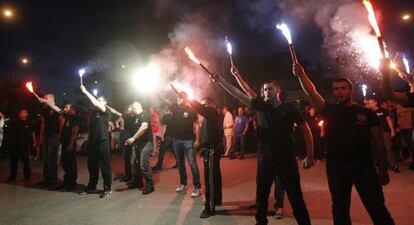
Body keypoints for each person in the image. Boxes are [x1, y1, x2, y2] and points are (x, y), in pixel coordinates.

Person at [294, 62, 394, 225]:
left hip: (364, 166)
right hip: (337, 167)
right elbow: (312, 92)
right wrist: (302, 75)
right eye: (336, 89)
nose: (339, 91)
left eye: (343, 88)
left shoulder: (367, 113)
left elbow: (378, 142)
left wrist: (383, 169)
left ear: (351, 90)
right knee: (340, 209)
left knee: (377, 208)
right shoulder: (329, 110)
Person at [213, 66, 315, 225]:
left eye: (270, 89)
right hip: (265, 159)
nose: (267, 92)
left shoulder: (289, 108)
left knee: (296, 198)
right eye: (265, 90)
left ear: (278, 91)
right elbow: (241, 93)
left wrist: (310, 156)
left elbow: (306, 131)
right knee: (261, 197)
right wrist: (222, 81)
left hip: (286, 159)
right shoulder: (261, 107)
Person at [187, 96, 223, 218]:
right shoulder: (209, 116)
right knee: (215, 176)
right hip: (210, 149)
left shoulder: (212, 112)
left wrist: (188, 99)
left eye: (205, 104)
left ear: (211, 104)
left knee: (210, 179)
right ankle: (216, 199)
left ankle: (210, 207)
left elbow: (200, 108)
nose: (203, 107)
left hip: (212, 149)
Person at [79, 86, 112, 198]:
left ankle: (107, 187)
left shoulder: (106, 111)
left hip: (103, 141)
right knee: (92, 165)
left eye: (100, 100)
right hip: (93, 141)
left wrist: (86, 91)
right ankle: (92, 186)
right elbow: (91, 128)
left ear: (105, 102)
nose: (97, 102)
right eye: (98, 100)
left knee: (104, 165)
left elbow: (96, 103)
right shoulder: (94, 114)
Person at [171, 92, 202, 198]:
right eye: (177, 98)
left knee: (192, 164)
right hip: (177, 140)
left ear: (185, 99)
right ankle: (183, 184)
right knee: (180, 164)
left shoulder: (191, 110)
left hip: (189, 140)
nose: (178, 100)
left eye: (180, 98)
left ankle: (197, 187)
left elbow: (197, 125)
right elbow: (163, 100)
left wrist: (197, 140)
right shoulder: (175, 108)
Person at [125, 101, 154, 194]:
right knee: (134, 163)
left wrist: (133, 138)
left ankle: (150, 185)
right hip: (137, 144)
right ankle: (138, 182)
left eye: (131, 108)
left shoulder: (144, 114)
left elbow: (144, 127)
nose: (131, 110)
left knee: (143, 165)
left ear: (135, 108)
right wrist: (132, 140)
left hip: (146, 143)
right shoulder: (136, 117)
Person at [365, 96, 400, 173]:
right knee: (376, 149)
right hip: (374, 133)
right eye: (368, 103)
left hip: (385, 131)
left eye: (371, 103)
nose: (369, 104)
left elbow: (388, 120)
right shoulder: (369, 112)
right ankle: (379, 166)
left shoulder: (383, 110)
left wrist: (392, 130)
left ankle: (393, 165)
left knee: (388, 148)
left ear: (375, 103)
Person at [38, 94, 64, 187]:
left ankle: (53, 180)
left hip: (54, 136)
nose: (44, 99)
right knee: (45, 157)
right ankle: (46, 179)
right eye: (44, 98)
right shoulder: (45, 110)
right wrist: (41, 136)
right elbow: (43, 124)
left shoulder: (57, 109)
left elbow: (61, 122)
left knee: (52, 157)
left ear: (52, 99)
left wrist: (59, 135)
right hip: (46, 136)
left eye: (46, 98)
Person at [7, 109, 36, 182]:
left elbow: (33, 133)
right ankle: (12, 177)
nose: (23, 113)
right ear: (19, 114)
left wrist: (34, 142)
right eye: (21, 112)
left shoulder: (29, 123)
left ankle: (27, 176)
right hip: (14, 145)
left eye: (24, 112)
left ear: (27, 114)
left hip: (24, 145)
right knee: (13, 161)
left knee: (26, 161)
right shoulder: (15, 122)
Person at [55, 103, 80, 191]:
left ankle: (71, 183)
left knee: (70, 164)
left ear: (72, 108)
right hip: (65, 143)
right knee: (65, 162)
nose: (64, 109)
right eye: (64, 107)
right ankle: (66, 182)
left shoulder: (75, 117)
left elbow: (75, 131)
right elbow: (58, 110)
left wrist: (71, 143)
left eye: (66, 107)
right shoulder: (67, 117)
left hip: (70, 144)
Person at [153, 104, 177, 171]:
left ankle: (159, 165)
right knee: (173, 150)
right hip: (174, 136)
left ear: (167, 109)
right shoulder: (176, 116)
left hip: (167, 136)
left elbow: (164, 127)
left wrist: (162, 136)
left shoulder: (166, 116)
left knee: (162, 150)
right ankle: (179, 163)